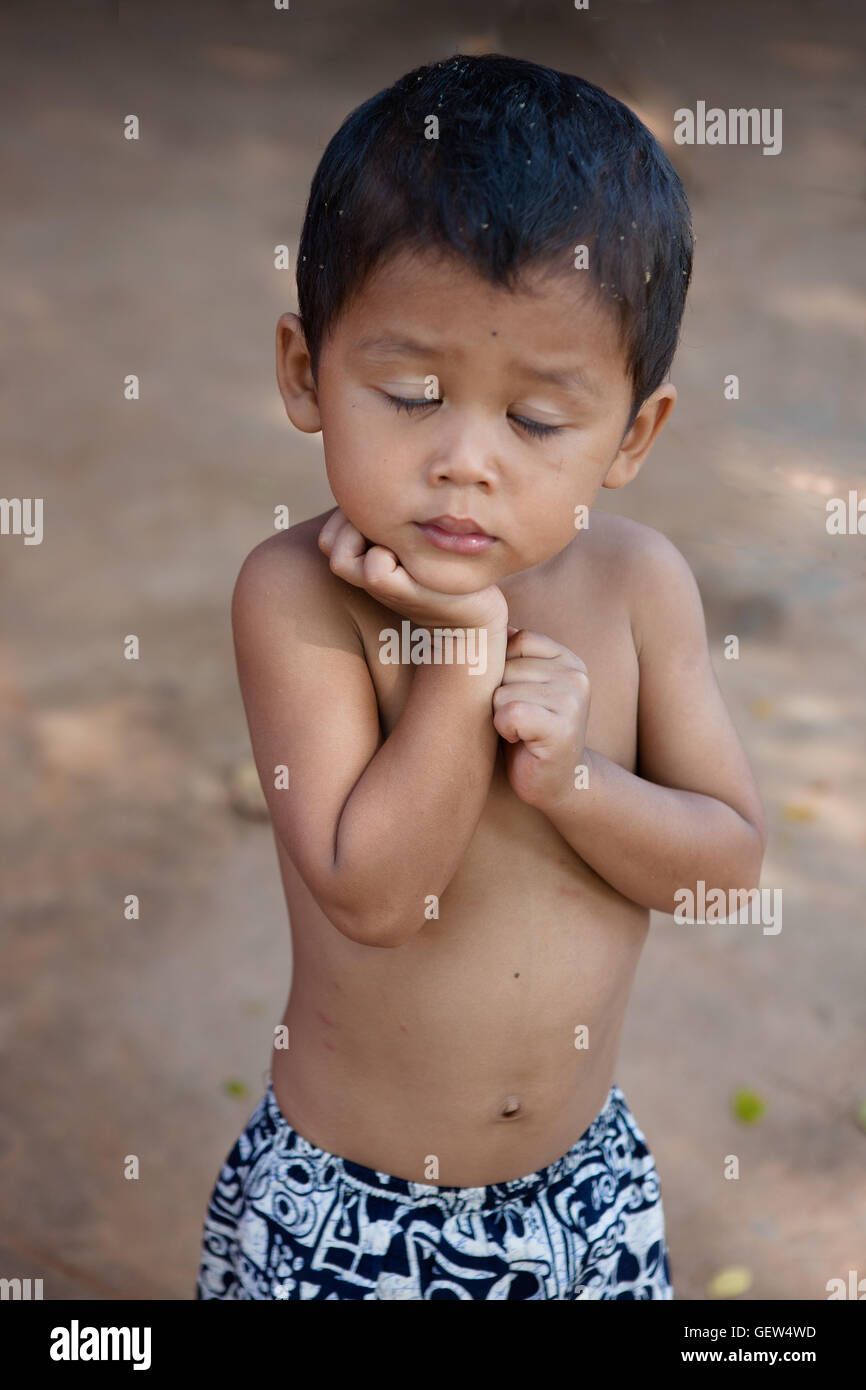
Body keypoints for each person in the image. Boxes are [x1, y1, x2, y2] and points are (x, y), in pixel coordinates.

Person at [196, 52, 765, 1300]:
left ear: (630, 434)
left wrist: (574, 783)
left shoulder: (635, 586)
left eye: (536, 421)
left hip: (584, 1196)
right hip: (348, 1214)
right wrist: (461, 660)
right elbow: (372, 896)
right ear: (304, 371)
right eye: (410, 393)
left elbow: (725, 871)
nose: (464, 460)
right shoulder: (297, 595)